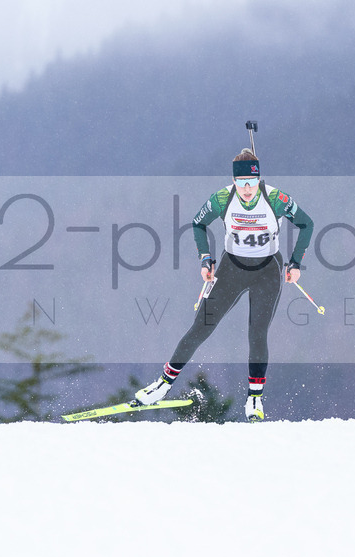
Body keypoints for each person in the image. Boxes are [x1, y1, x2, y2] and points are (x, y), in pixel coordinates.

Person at [134, 148, 314, 421]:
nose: (246, 189)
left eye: (251, 183)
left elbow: (306, 223)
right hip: (232, 269)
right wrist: (206, 259)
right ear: (234, 181)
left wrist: (296, 263)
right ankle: (163, 385)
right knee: (201, 326)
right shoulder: (222, 198)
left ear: (258, 180)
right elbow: (198, 223)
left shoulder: (275, 198)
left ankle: (255, 399)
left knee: (257, 333)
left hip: (269, 271)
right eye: (241, 183)